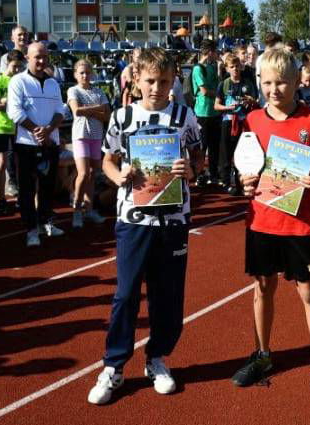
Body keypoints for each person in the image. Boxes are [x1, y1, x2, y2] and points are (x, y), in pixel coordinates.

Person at [88, 47, 202, 405]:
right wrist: (117, 175)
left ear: (173, 83)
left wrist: (191, 170)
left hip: (173, 220)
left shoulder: (184, 115)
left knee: (166, 296)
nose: (157, 88)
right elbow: (107, 160)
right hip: (133, 220)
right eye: (150, 80)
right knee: (125, 295)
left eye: (164, 81)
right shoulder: (122, 117)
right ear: (136, 80)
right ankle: (114, 365)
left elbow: (199, 156)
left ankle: (157, 358)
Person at [231, 47, 310, 404]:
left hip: (301, 223)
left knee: (308, 291)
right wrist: (245, 182)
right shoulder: (253, 120)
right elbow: (246, 163)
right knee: (263, 287)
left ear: (297, 82)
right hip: (261, 219)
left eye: (281, 82)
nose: (274, 89)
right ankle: (263, 354)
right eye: (267, 82)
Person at [7, 42, 67, 247]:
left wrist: (48, 131)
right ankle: (31, 229)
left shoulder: (53, 84)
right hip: (26, 145)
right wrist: (37, 130)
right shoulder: (18, 81)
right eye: (37, 57)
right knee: (27, 189)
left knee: (48, 186)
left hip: (50, 142)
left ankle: (45, 221)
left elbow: (61, 111)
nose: (41, 61)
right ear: (27, 58)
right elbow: (14, 112)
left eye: (44, 57)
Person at [67, 59, 110, 227]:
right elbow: (76, 110)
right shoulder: (73, 90)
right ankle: (76, 210)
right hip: (80, 136)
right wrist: (96, 109)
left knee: (93, 173)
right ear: (76, 75)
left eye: (87, 72)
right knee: (83, 173)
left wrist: (90, 110)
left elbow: (107, 115)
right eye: (81, 73)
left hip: (96, 135)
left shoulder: (99, 91)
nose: (85, 75)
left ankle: (89, 208)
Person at [214, 53, 257, 194]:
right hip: (228, 121)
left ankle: (241, 183)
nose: (235, 69)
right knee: (226, 153)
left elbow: (255, 102)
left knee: (242, 153)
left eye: (237, 66)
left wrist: (250, 101)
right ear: (227, 69)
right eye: (232, 67)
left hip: (243, 122)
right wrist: (228, 107)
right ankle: (226, 182)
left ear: (241, 67)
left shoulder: (247, 84)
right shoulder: (224, 84)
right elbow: (216, 106)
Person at [0, 53, 24, 216]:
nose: (16, 69)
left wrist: (8, 103)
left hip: (19, 126)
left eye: (19, 66)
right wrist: (10, 104)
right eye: (14, 66)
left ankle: (21, 197)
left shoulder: (22, 80)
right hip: (1, 127)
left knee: (19, 162)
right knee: (1, 163)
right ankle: (2, 199)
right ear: (7, 64)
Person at [191, 40, 221, 185]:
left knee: (214, 145)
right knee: (202, 146)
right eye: (216, 52)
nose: (217, 55)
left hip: (215, 112)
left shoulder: (213, 67)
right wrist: (219, 95)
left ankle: (213, 174)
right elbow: (204, 91)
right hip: (202, 113)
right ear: (210, 52)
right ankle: (199, 173)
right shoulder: (198, 69)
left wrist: (220, 70)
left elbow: (218, 84)